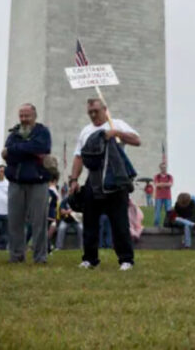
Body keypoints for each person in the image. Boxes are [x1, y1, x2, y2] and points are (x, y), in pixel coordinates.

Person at [68, 98, 141, 271]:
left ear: (104, 109)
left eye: (96, 111)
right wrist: (73, 180)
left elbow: (137, 140)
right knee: (90, 222)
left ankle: (126, 260)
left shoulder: (116, 124)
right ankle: (90, 259)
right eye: (90, 112)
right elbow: (78, 157)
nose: (93, 115)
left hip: (115, 181)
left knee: (119, 223)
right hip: (93, 180)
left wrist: (116, 133)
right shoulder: (85, 131)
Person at [2, 103, 52, 264]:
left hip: (38, 182)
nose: (24, 119)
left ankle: (40, 257)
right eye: (21, 116)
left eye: (27, 116)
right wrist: (26, 151)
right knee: (15, 221)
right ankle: (16, 256)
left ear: (34, 116)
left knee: (39, 222)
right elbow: (8, 156)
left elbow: (42, 146)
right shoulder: (14, 133)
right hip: (16, 182)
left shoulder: (43, 132)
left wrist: (15, 150)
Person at [153, 163, 173, 227]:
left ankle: (168, 225)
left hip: (168, 197)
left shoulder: (169, 176)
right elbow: (156, 185)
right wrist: (166, 184)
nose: (163, 169)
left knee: (169, 212)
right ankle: (156, 226)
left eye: (164, 167)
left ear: (166, 168)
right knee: (157, 212)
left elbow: (170, 184)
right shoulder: (157, 176)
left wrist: (161, 184)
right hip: (158, 197)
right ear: (160, 168)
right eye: (162, 168)